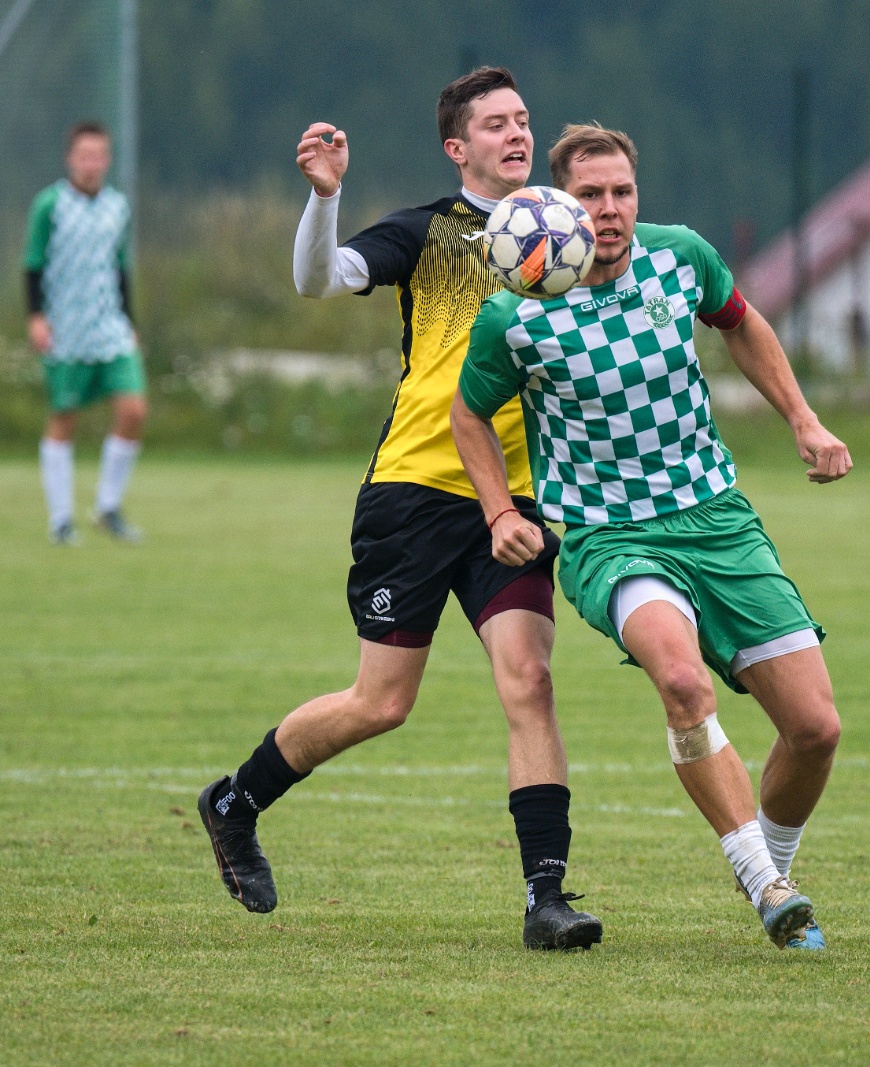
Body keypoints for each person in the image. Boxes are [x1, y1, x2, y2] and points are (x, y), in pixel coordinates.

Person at [197, 68, 601, 951]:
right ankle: (234, 802)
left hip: (515, 499)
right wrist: (325, 198)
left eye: (523, 120)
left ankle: (547, 897)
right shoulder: (426, 231)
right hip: (414, 492)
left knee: (529, 680)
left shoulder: (567, 236)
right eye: (496, 124)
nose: (516, 134)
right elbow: (321, 279)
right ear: (458, 147)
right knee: (381, 703)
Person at [452, 124, 850, 950]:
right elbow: (468, 415)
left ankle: (771, 870)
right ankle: (763, 881)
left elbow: (741, 323)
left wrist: (804, 422)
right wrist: (500, 513)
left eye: (622, 192)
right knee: (680, 679)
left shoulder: (682, 258)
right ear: (560, 204)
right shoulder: (514, 314)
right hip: (609, 537)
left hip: (717, 521)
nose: (609, 209)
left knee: (815, 730)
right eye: (591, 195)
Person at [24, 121, 145, 545]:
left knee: (133, 410)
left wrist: (130, 321)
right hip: (67, 330)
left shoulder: (117, 207)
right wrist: (36, 316)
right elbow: (34, 264)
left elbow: (120, 268)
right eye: (84, 156)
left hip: (110, 327)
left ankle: (107, 507)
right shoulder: (50, 205)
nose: (92, 164)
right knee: (65, 418)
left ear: (107, 160)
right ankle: (61, 519)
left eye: (99, 156)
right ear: (70, 159)